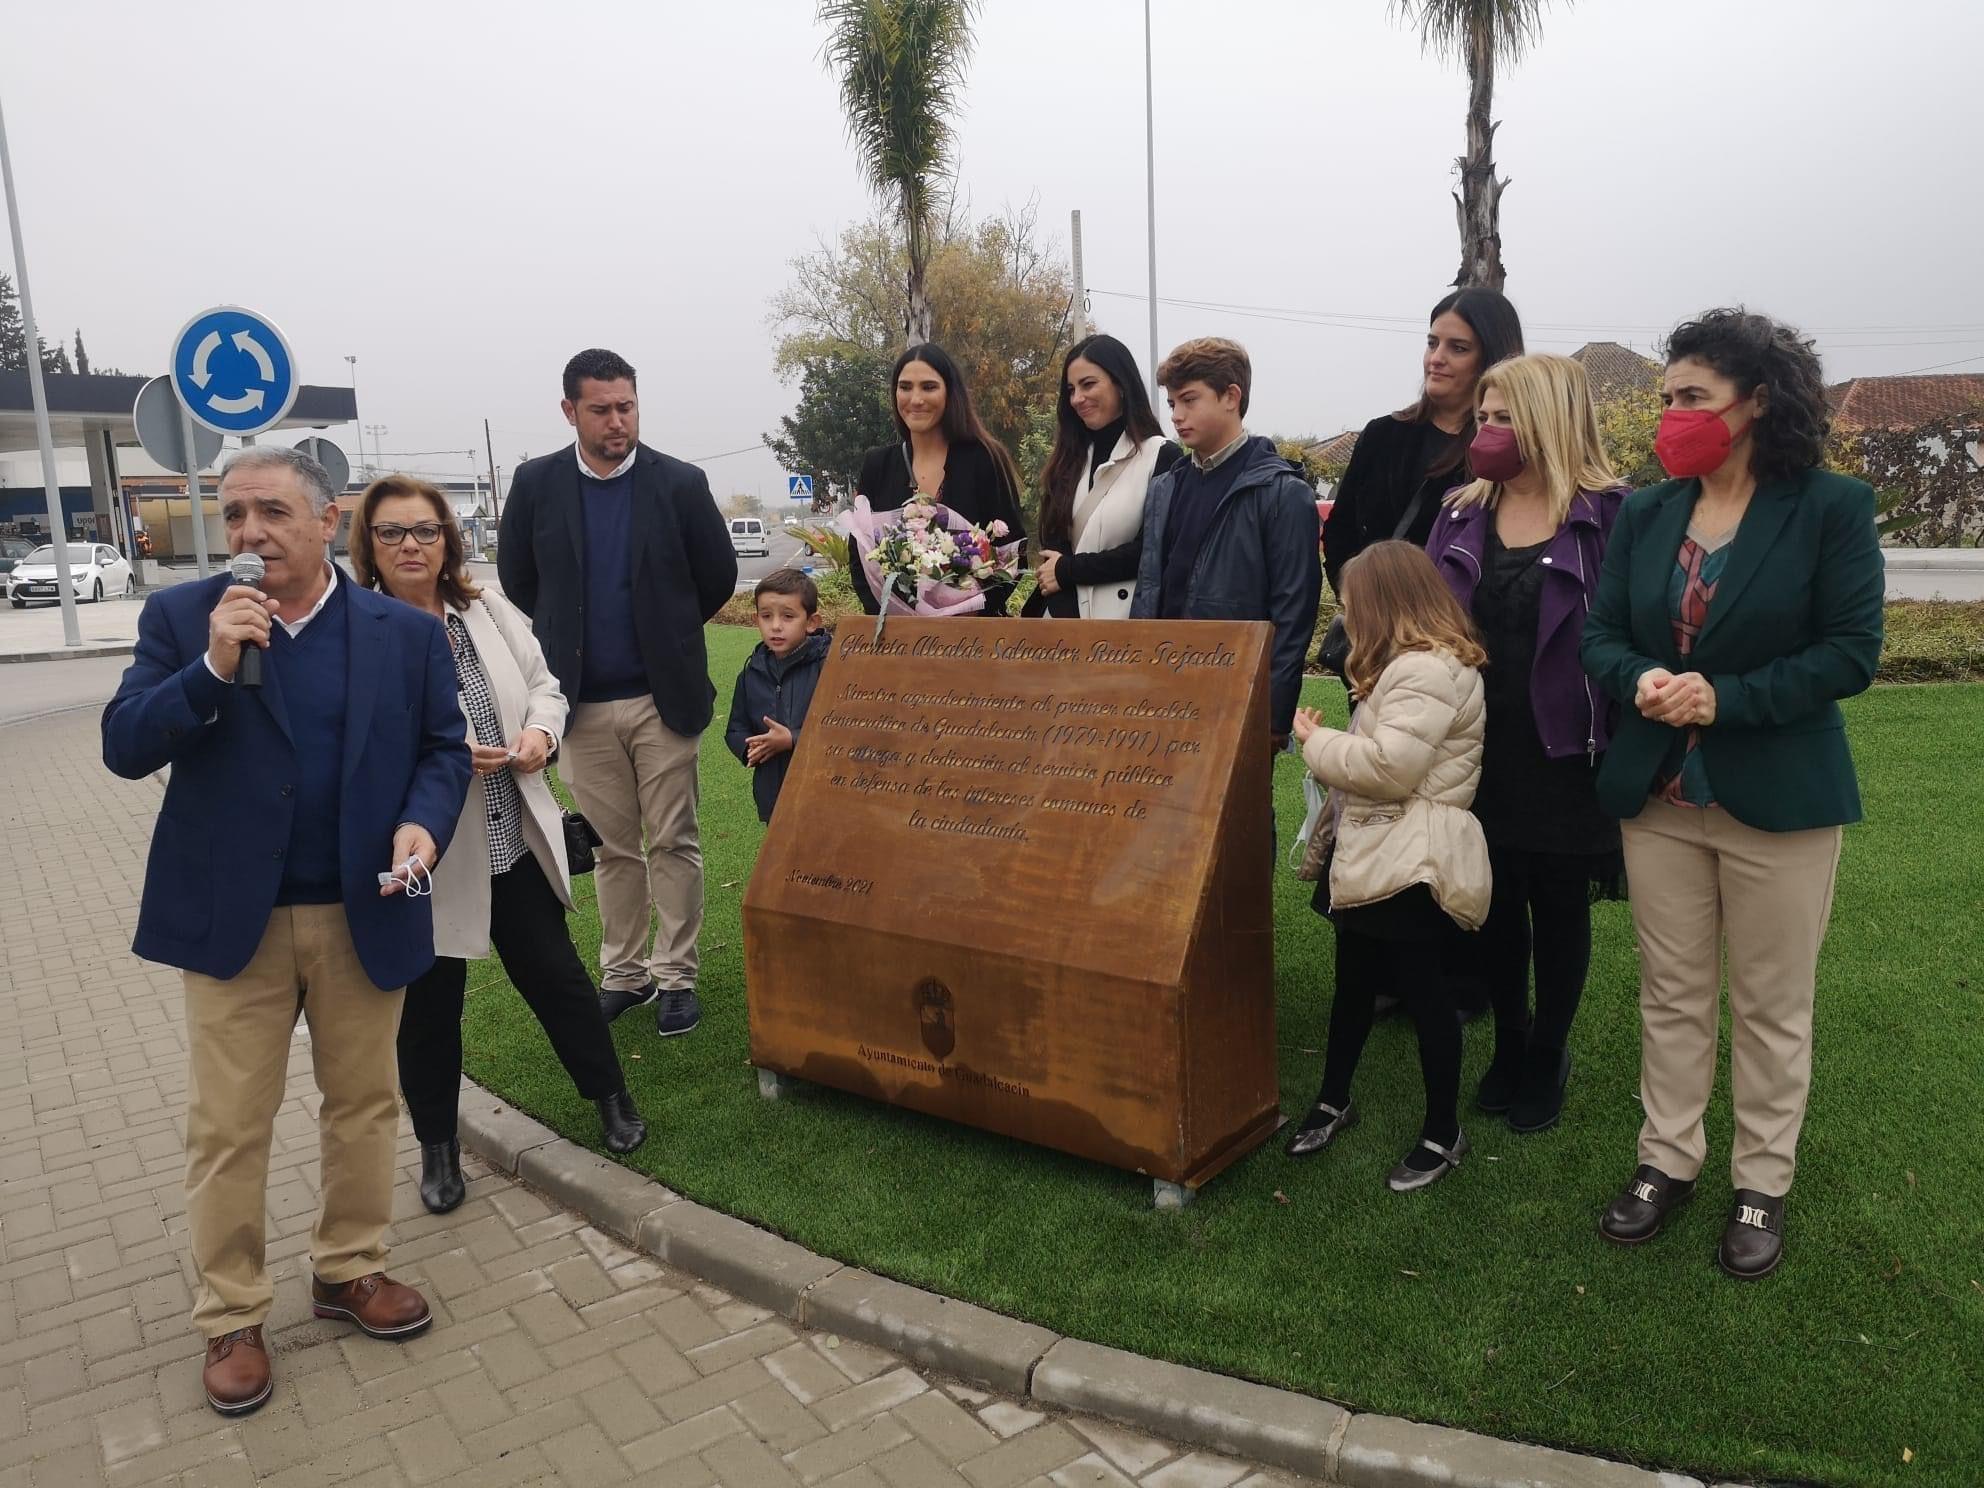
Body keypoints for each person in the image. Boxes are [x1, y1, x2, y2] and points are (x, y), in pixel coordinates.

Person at [101, 446, 470, 1417]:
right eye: (234, 516)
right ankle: (230, 1313)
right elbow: (124, 743)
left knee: (363, 1103)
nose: (250, 532)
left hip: (365, 906)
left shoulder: (402, 632)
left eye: (270, 511)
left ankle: (349, 1268)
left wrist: (425, 822)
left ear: (324, 518)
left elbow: (441, 749)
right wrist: (213, 668)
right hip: (234, 921)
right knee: (227, 1125)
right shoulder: (185, 620)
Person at [1581, 309, 1883, 1279]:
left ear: (1754, 403)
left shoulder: (1829, 507)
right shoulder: (1646, 511)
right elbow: (1600, 635)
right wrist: (1637, 679)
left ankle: (1761, 1182)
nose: (1673, 415)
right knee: (1670, 993)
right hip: (1660, 796)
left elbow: (1849, 652)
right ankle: (1664, 1160)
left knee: (1769, 1004)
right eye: (1667, 398)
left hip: (1779, 800)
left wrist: (1727, 698)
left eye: (1691, 399)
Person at [354, 475, 649, 1214]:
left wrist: (539, 735)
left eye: (425, 530)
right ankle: (439, 1150)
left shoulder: (482, 609)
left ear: (448, 538)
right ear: (368, 544)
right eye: (391, 532)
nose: (411, 546)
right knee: (428, 1013)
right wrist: (443, 754)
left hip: (508, 836)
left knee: (558, 980)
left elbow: (546, 683)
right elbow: (349, 740)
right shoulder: (359, 630)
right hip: (426, 860)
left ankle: (610, 1096)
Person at [498, 349, 738, 1038]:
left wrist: (663, 631)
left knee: (673, 840)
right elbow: (520, 579)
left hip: (663, 701)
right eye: (601, 409)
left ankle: (677, 976)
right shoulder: (537, 484)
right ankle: (625, 974)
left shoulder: (681, 484)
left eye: (626, 406)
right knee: (611, 847)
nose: (617, 421)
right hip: (578, 707)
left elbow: (716, 576)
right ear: (570, 410)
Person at [1426, 353, 1629, 1133]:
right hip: (1478, 743)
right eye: (1483, 416)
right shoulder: (1460, 511)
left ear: (1549, 418)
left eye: (1503, 415)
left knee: (1559, 906)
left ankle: (1549, 1051)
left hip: (1566, 753)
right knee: (1495, 903)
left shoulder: (1611, 514)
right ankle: (1509, 1042)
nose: (1487, 429)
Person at [1286, 541, 1490, 1190]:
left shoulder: (1426, 670)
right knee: (1354, 981)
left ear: (1383, 603)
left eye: (1351, 607)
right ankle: (1333, 1097)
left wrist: (1316, 742)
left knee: (1424, 993)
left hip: (1410, 858)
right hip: (1384, 851)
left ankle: (1441, 1132)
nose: (1346, 619)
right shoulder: (1408, 667)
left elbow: (1388, 770)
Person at [1129, 337, 1323, 755]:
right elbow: (1149, 591)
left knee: (1239, 820)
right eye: (1171, 403)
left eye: (1189, 400)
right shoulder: (1165, 487)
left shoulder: (1282, 493)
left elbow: (1293, 614)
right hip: (1160, 691)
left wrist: (1272, 716)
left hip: (1234, 696)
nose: (1177, 416)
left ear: (1231, 396)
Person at [1322, 288, 1526, 597]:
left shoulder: (1503, 451)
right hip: (1374, 626)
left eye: (1457, 348)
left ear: (1492, 359)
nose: (1436, 358)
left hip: (1462, 632)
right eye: (1432, 343)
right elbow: (1340, 535)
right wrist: (1362, 605)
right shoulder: (1382, 436)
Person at [850, 343, 1028, 616]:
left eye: (929, 387)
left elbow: (1012, 553)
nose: (916, 399)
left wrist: (972, 611)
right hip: (896, 642)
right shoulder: (878, 464)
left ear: (950, 393)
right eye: (905, 387)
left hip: (972, 641)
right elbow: (860, 558)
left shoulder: (984, 459)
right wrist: (888, 613)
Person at [1024, 333, 1180, 619]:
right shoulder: (1067, 460)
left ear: (1121, 384)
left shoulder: (1162, 456)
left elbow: (1153, 552)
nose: (1077, 399)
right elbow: (1053, 552)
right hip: (1063, 628)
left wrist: (1070, 571)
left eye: (1088, 384)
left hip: (1127, 628)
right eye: (1071, 389)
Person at [725, 568, 831, 822]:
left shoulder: (828, 668)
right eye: (766, 616)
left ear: (811, 622)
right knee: (781, 858)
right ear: (756, 620)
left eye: (787, 616)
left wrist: (792, 739)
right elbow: (735, 729)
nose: (775, 626)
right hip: (772, 794)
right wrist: (750, 748)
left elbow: (841, 729)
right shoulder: (751, 673)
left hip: (822, 794)